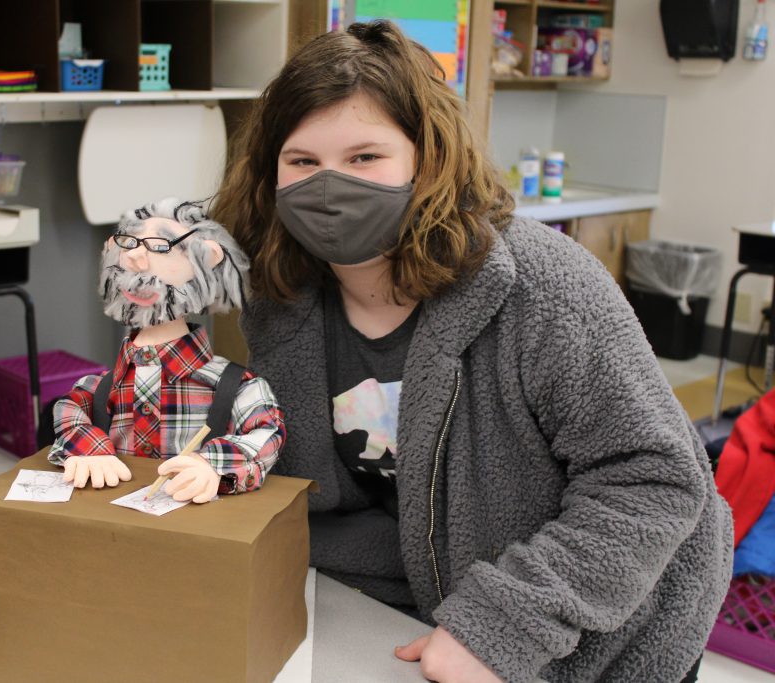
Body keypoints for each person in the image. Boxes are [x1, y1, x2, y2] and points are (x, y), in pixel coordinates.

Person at [211, 20, 733, 683]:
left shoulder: (544, 287)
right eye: (303, 162)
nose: (329, 186)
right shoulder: (280, 298)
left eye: (365, 157)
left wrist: (500, 624)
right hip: (423, 609)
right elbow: (348, 493)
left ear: (426, 162)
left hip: (612, 631)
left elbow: (653, 479)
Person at [48, 198, 285, 503]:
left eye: (159, 245)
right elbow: (68, 408)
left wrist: (213, 464)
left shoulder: (240, 387)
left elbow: (267, 432)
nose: (134, 256)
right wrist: (87, 448)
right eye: (129, 243)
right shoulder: (98, 389)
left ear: (208, 258)